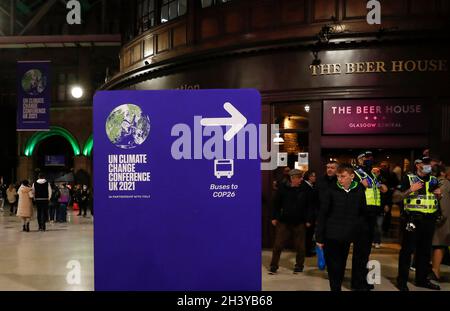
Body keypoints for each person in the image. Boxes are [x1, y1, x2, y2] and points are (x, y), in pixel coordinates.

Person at [315, 164, 368, 291]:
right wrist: (319, 238)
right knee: (333, 266)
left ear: (352, 176)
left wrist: (359, 234)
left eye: (343, 176)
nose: (340, 179)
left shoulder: (359, 190)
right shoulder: (331, 190)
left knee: (342, 264)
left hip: (348, 236)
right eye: (338, 176)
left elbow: (362, 213)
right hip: (331, 235)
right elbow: (323, 214)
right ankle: (335, 288)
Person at [396, 157, 441, 291]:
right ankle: (401, 281)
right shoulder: (408, 178)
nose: (428, 166)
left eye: (429, 164)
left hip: (429, 220)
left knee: (425, 251)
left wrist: (438, 196)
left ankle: (421, 280)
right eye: (425, 164)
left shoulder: (434, 179)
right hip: (413, 219)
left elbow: (433, 199)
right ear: (417, 165)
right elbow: (396, 197)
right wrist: (410, 190)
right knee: (407, 251)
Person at [353, 151, 387, 289]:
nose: (369, 160)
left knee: (365, 251)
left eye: (371, 158)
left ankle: (363, 279)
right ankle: (357, 282)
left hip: (372, 216)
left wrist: (382, 187)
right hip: (361, 216)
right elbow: (350, 191)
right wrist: (360, 185)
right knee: (360, 251)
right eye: (366, 158)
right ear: (359, 160)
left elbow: (381, 189)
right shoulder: (356, 173)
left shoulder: (372, 175)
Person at [269, 169, 312, 274]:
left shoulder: (306, 188)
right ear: (293, 178)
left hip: (299, 221)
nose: (301, 179)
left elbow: (310, 206)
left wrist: (309, 219)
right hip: (284, 221)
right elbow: (276, 204)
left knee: (300, 247)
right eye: (299, 178)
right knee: (278, 245)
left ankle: (299, 266)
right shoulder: (283, 188)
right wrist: (274, 217)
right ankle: (273, 265)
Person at [430, 165, 450, 284]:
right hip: (442, 221)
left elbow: (444, 205)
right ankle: (434, 271)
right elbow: (444, 206)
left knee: (438, 244)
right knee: (438, 245)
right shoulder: (444, 184)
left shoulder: (441, 184)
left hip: (441, 221)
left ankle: (435, 271)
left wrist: (440, 219)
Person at [301, 170, 318, 257]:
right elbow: (306, 204)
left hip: (311, 215)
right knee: (307, 235)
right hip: (307, 216)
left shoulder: (311, 186)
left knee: (309, 235)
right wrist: (308, 219)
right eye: (313, 176)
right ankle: (306, 252)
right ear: (309, 177)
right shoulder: (305, 186)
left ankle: (308, 250)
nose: (315, 178)